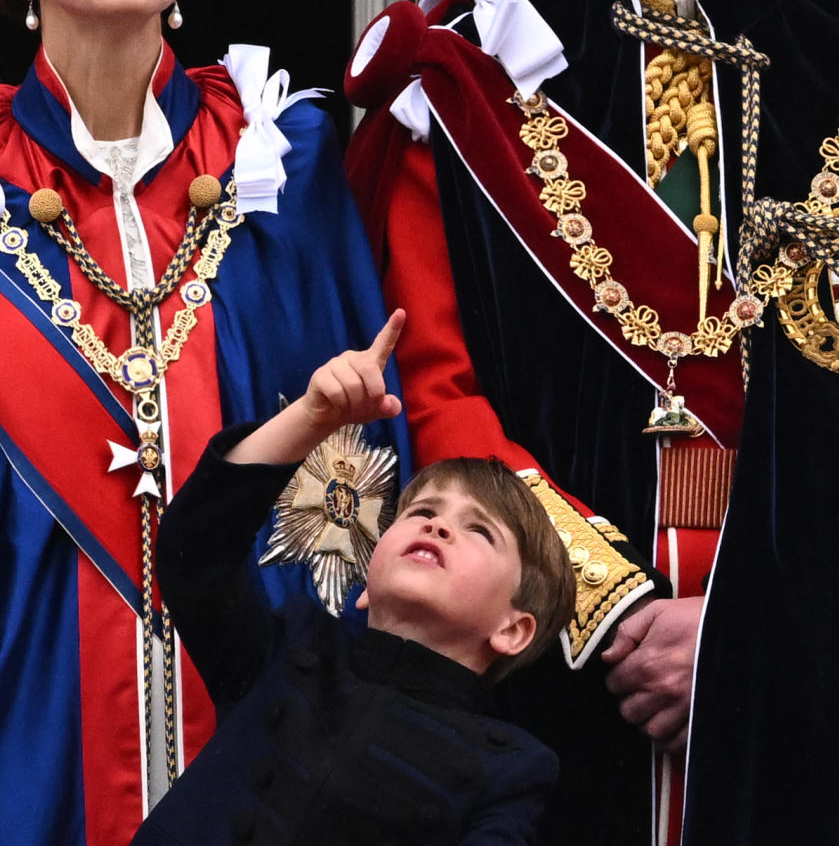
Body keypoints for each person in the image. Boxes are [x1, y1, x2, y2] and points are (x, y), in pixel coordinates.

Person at [344, 0, 839, 845]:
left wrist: (754, 628)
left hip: (835, 672)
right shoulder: (488, 75)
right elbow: (439, 391)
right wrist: (608, 616)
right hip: (560, 673)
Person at [0, 0, 410, 846]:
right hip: (16, 754)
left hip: (259, 759)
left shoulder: (279, 162)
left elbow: (355, 473)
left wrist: (307, 708)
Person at [132, 309, 576, 846]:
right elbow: (196, 549)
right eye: (420, 512)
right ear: (366, 582)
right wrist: (312, 418)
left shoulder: (512, 772)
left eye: (479, 530)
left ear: (513, 629)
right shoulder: (285, 649)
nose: (436, 525)